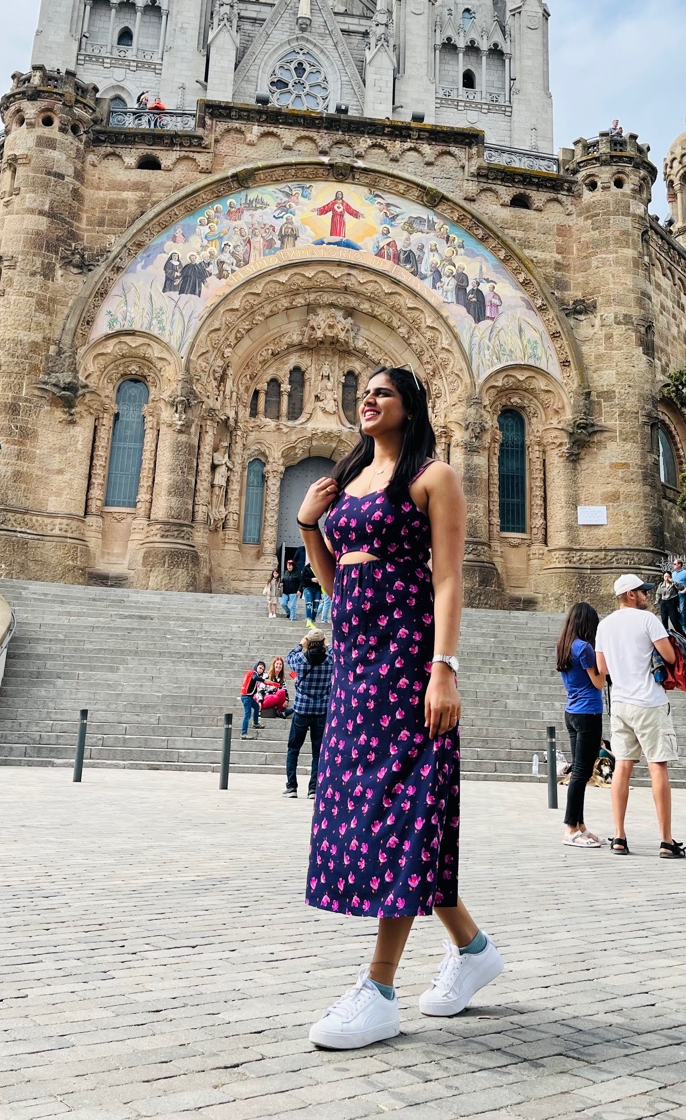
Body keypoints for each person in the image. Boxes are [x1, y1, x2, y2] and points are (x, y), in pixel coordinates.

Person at [296, 366, 504, 1049]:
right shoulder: (347, 480)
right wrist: (307, 528)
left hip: (408, 663)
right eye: (366, 390)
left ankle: (378, 989)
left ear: (409, 408)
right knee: (379, 812)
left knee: (403, 811)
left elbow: (447, 579)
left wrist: (443, 668)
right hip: (358, 666)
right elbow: (340, 582)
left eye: (383, 392)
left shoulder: (433, 476)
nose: (368, 397)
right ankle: (471, 951)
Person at [595, 574, 684, 859]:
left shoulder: (604, 625)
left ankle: (619, 836)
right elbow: (669, 657)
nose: (647, 595)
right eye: (643, 592)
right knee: (658, 767)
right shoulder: (648, 621)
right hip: (649, 702)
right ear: (631, 595)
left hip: (620, 703)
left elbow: (602, 668)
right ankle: (666, 840)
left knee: (622, 766)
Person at [555, 602, 607, 848]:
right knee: (581, 774)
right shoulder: (585, 648)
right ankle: (570, 828)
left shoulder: (563, 645)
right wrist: (605, 669)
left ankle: (580, 825)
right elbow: (598, 683)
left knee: (581, 771)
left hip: (572, 711)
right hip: (588, 712)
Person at [284, 629, 333, 799]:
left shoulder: (300, 659)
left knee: (293, 749)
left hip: (301, 710)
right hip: (321, 710)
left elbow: (289, 656)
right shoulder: (330, 661)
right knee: (317, 752)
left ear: (308, 642)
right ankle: (313, 788)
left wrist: (301, 643)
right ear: (322, 643)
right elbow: (339, 658)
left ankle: (291, 787)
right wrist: (328, 645)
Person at [240, 660, 267, 739]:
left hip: (249, 697)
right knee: (247, 715)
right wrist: (263, 680)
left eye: (262, 669)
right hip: (246, 697)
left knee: (256, 707)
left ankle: (255, 723)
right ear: (256, 667)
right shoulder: (253, 673)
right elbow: (255, 677)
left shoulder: (254, 674)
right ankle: (243, 733)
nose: (261, 670)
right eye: (260, 668)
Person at [671, 558, 686, 632]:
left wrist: (684, 591)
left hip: (682, 594)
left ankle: (684, 625)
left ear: (679, 564)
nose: (673, 565)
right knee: (675, 610)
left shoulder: (685, 573)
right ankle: (680, 623)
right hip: (674, 594)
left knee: (682, 609)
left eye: (674, 564)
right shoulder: (673, 574)